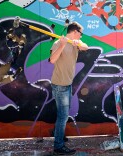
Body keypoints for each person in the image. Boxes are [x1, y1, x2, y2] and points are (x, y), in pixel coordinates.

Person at [49, 22, 88, 155]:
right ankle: (58, 146)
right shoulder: (58, 43)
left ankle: (57, 133)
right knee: (63, 116)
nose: (81, 35)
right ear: (75, 31)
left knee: (63, 114)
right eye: (80, 33)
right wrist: (62, 45)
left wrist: (78, 44)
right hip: (60, 85)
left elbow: (85, 47)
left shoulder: (75, 42)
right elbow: (52, 60)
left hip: (68, 84)